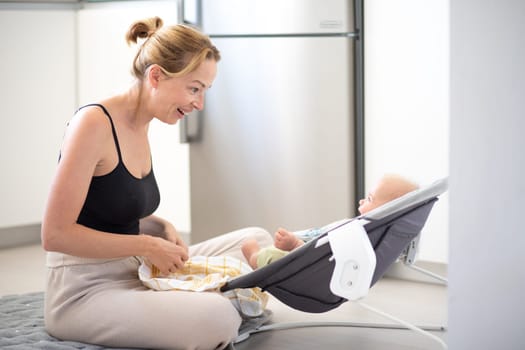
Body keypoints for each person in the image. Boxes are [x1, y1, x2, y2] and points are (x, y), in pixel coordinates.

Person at [41, 17, 273, 350]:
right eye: (194, 88)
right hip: (85, 293)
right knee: (217, 317)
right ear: (156, 76)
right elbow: (55, 235)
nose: (199, 103)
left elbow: (107, 210)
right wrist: (147, 246)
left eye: (204, 91)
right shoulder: (92, 123)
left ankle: (217, 299)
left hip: (139, 270)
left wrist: (158, 227)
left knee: (257, 241)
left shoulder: (141, 124)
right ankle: (225, 301)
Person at [242, 174, 419, 269]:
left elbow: (323, 260)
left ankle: (254, 257)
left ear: (388, 209)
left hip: (306, 262)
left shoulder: (360, 235)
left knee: (273, 256)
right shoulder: (376, 233)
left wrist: (294, 244)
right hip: (308, 245)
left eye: (370, 199)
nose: (361, 201)